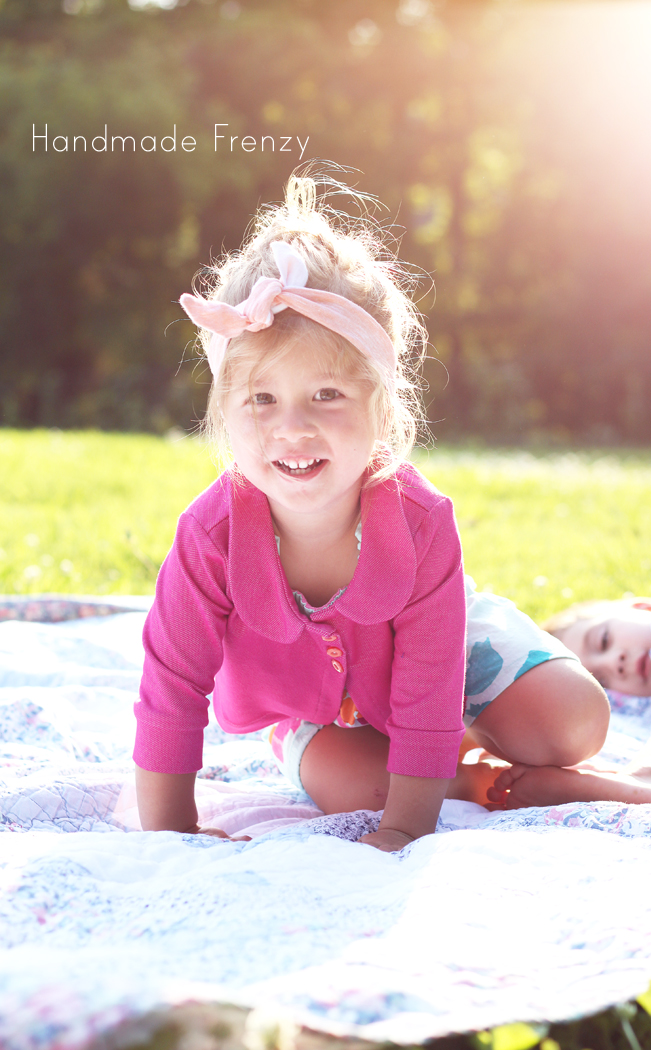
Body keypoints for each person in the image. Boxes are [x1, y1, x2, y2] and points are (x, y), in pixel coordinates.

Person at [133, 174, 609, 852]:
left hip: (436, 652)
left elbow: (429, 675)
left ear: (381, 408)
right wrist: (174, 831)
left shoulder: (419, 522)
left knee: (575, 723)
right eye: (262, 400)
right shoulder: (210, 536)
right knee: (359, 790)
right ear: (223, 412)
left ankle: (458, 733)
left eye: (326, 394)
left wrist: (405, 832)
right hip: (313, 702)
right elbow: (171, 688)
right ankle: (475, 778)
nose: (291, 429)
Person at [488, 523, 651, 809]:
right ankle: (642, 772)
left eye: (603, 640)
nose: (614, 663)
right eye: (601, 682)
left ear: (639, 606)